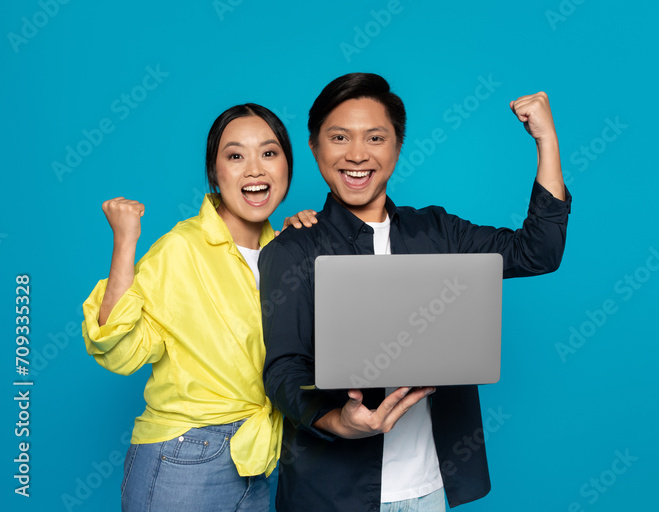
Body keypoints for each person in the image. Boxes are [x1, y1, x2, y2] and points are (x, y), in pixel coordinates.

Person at [259, 72, 571, 511]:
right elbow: (283, 370)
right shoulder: (293, 248)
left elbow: (538, 252)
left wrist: (546, 140)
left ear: (398, 147)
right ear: (314, 147)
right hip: (331, 495)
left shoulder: (438, 232)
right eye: (339, 137)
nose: (356, 154)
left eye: (375, 138)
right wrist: (337, 421)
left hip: (428, 490)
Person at [81, 103, 315, 511]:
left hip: (255, 457)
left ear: (287, 167)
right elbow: (119, 351)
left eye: (269, 152)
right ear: (214, 172)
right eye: (236, 156)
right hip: (184, 455)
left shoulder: (283, 251)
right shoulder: (182, 248)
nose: (255, 169)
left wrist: (308, 244)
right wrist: (125, 242)